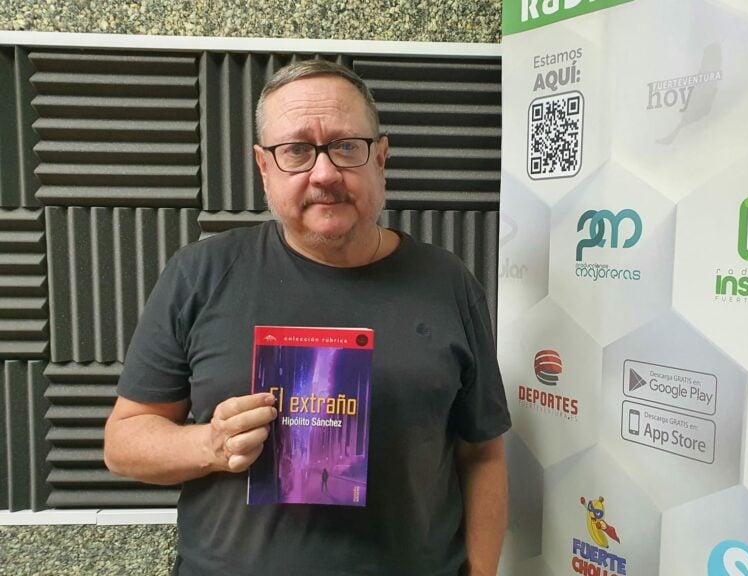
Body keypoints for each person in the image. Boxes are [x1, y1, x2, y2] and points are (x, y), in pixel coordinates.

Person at [103, 59, 511, 576]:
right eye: (296, 150)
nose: (324, 174)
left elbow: (482, 455)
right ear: (263, 167)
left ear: (381, 157)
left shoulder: (448, 282)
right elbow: (123, 443)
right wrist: (209, 444)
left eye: (346, 146)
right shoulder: (201, 274)